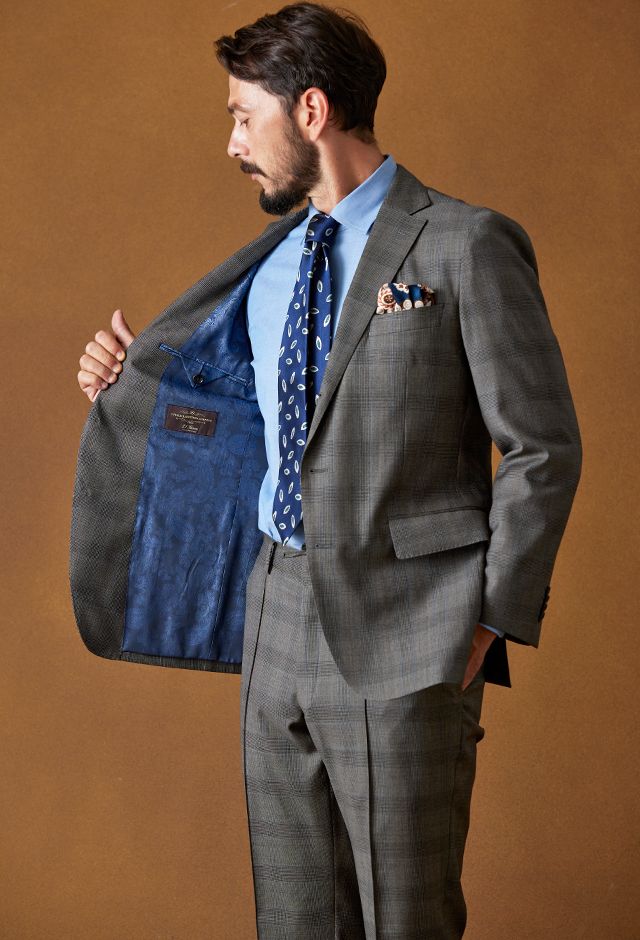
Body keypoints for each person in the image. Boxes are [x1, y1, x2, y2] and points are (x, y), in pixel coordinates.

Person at [73, 3, 582, 936]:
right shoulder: (269, 266)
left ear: (311, 110)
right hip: (274, 614)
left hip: (412, 628)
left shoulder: (464, 244)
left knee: (405, 919)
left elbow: (543, 447)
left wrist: (488, 620)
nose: (233, 143)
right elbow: (232, 416)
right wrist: (124, 382)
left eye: (243, 116)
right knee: (294, 916)